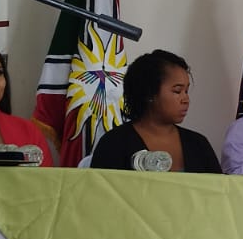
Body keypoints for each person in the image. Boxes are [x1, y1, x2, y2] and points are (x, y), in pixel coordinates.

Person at [89, 50, 222, 173]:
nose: (186, 99)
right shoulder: (114, 143)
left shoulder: (198, 144)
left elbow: (219, 188)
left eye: (186, 91)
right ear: (149, 93)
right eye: (177, 91)